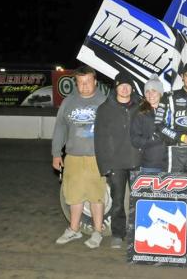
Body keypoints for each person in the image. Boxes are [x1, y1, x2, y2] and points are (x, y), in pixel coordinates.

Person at [52, 65, 107, 249]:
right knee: (73, 196)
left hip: (96, 157)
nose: (84, 86)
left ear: (95, 81)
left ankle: (97, 232)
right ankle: (74, 229)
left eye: (88, 82)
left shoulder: (105, 101)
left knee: (96, 196)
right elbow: (60, 127)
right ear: (76, 82)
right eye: (80, 82)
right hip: (73, 157)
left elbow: (112, 131)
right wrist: (56, 153)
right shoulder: (69, 102)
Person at [94, 72, 141, 249]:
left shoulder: (141, 106)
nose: (125, 88)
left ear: (132, 88)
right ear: (116, 87)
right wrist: (104, 165)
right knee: (118, 201)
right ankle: (118, 234)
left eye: (128, 85)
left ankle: (139, 234)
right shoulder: (104, 109)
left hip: (137, 161)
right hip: (116, 164)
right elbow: (99, 139)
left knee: (138, 200)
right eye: (121, 85)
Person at [130, 74, 166, 173]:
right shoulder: (140, 112)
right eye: (147, 92)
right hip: (149, 165)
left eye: (154, 91)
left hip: (170, 163)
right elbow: (135, 139)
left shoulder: (169, 110)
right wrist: (152, 140)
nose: (150, 95)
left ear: (160, 92)